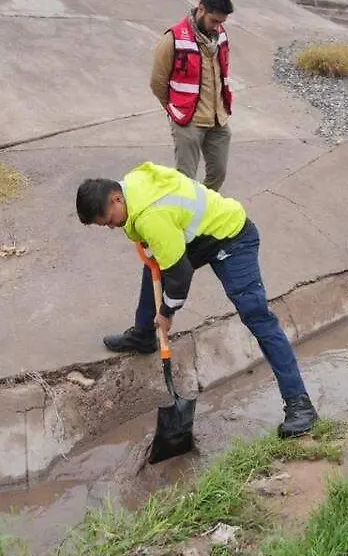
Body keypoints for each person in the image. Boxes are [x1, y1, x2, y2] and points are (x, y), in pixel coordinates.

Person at [76, 162, 319, 438]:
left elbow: (180, 277)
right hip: (198, 237)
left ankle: (301, 405)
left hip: (231, 238)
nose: (110, 227)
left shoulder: (150, 217)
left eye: (108, 220)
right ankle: (144, 336)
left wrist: (166, 313)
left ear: (116, 198)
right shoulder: (133, 183)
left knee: (256, 315)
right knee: (156, 263)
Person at [151, 0, 235, 192]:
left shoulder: (220, 34)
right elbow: (157, 83)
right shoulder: (173, 39)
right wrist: (174, 110)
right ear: (201, 9)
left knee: (218, 173)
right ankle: (186, 216)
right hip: (188, 122)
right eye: (214, 21)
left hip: (217, 119)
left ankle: (201, 207)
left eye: (221, 22)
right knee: (184, 182)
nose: (217, 26)